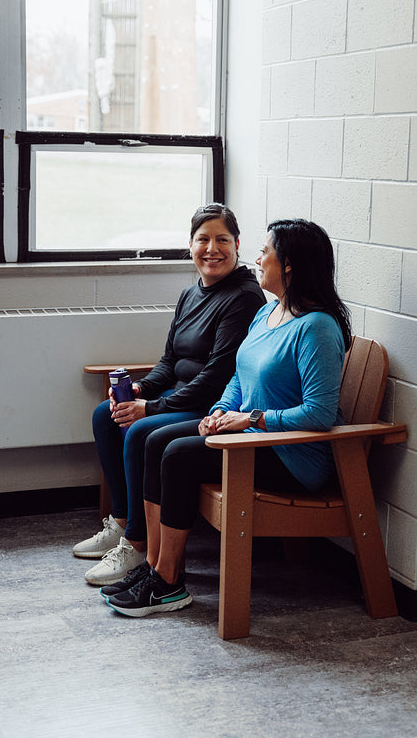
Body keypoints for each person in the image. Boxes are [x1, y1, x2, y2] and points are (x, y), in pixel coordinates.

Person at [102, 218, 352, 617]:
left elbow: (319, 414)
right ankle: (154, 567)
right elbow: (238, 374)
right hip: (252, 437)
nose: (257, 258)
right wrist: (220, 410)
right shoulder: (267, 315)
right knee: (155, 440)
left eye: (265, 252)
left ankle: (168, 582)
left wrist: (250, 418)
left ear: (288, 264)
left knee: (179, 455)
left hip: (293, 457)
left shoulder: (317, 328)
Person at [73, 203, 266, 586]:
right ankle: (124, 521)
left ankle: (137, 544)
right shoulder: (189, 294)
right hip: (178, 397)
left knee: (142, 429)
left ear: (238, 244)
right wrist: (141, 389)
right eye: (203, 239)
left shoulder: (244, 297)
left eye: (222, 240)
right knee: (104, 415)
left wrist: (151, 407)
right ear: (190, 245)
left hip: (211, 405)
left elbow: (217, 377)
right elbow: (169, 360)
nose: (212, 249)